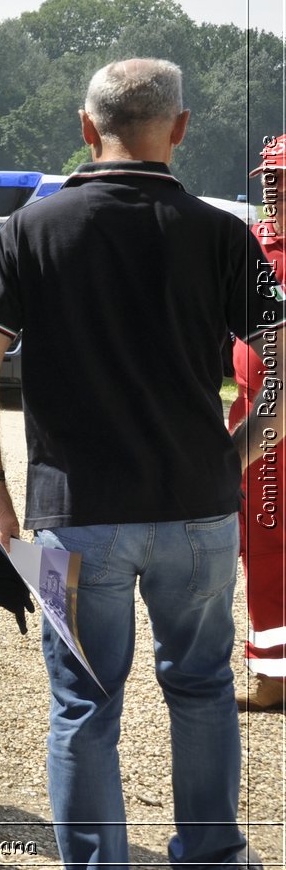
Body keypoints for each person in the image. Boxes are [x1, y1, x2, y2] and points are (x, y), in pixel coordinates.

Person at [0, 59, 281, 868]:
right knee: (203, 688)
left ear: (84, 126)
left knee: (83, 707)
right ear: (178, 128)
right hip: (198, 507)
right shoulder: (221, 232)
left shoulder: (32, 228)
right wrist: (240, 450)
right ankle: (211, 858)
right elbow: (281, 359)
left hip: (76, 513)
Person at [231, 133, 286, 713]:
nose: (274, 187)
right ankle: (275, 676)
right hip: (257, 423)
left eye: (284, 176)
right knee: (263, 550)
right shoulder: (251, 243)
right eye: (269, 176)